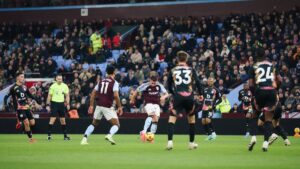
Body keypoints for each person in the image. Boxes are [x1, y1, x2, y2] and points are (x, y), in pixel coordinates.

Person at [166, 51, 202, 150]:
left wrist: (173, 94)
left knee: (172, 119)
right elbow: (198, 82)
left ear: (177, 59)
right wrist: (201, 94)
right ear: (186, 59)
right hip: (189, 96)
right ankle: (191, 143)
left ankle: (170, 142)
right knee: (191, 120)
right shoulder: (191, 69)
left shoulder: (173, 70)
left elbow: (168, 85)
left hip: (177, 96)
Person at [248, 46, 282, 152]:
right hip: (271, 91)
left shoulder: (254, 66)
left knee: (254, 115)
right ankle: (265, 143)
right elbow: (280, 79)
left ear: (256, 56)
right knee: (268, 119)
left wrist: (255, 95)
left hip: (260, 90)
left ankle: (253, 137)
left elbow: (250, 84)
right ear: (265, 55)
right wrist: (276, 89)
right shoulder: (272, 65)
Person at [81, 66, 123, 145]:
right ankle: (109, 135)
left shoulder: (101, 81)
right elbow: (116, 96)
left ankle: (84, 139)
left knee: (94, 123)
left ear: (106, 72)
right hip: (107, 106)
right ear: (114, 73)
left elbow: (93, 94)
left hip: (98, 105)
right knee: (116, 124)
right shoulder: (114, 83)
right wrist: (120, 107)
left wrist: (91, 105)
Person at [130, 71, 168, 142]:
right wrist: (132, 100)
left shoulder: (159, 85)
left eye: (155, 82)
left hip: (156, 104)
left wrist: (163, 97)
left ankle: (150, 137)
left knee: (156, 120)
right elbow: (136, 92)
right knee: (152, 115)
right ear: (150, 80)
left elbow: (166, 94)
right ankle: (144, 132)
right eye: (152, 82)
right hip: (148, 104)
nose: (153, 84)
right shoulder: (145, 85)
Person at [7, 72, 37, 143]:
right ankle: (30, 139)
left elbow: (29, 95)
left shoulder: (24, 87)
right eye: (21, 77)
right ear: (17, 78)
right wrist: (7, 104)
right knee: (26, 122)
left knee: (32, 123)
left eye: (23, 77)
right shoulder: (13, 88)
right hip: (19, 107)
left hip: (26, 107)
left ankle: (19, 121)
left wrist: (36, 99)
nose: (23, 78)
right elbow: (6, 97)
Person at [46, 74, 71, 141]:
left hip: (61, 104)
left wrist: (68, 103)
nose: (60, 80)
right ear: (56, 79)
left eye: (61, 79)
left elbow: (67, 95)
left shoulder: (65, 86)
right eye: (59, 79)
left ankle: (65, 136)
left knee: (63, 120)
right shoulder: (53, 86)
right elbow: (49, 96)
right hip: (54, 104)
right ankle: (49, 136)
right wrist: (48, 105)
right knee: (52, 119)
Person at [201, 76, 222, 140]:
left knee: (208, 120)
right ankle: (209, 134)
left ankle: (213, 133)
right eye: (209, 81)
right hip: (204, 107)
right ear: (207, 82)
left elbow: (220, 100)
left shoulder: (216, 90)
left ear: (213, 82)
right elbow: (203, 98)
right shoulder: (204, 89)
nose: (210, 82)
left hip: (210, 107)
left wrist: (214, 105)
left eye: (211, 81)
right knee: (203, 121)